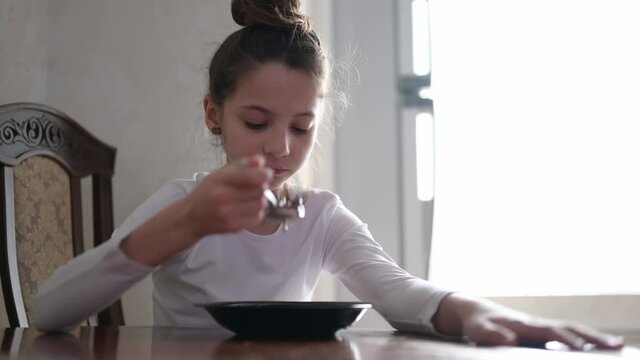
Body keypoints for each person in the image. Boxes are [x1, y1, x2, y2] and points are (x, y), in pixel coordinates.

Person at [33, 0, 623, 351]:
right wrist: (184, 223)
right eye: (257, 121)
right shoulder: (183, 203)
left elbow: (398, 292)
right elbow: (50, 312)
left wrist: (474, 312)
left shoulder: (320, 216)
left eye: (302, 126)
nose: (281, 148)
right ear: (215, 114)